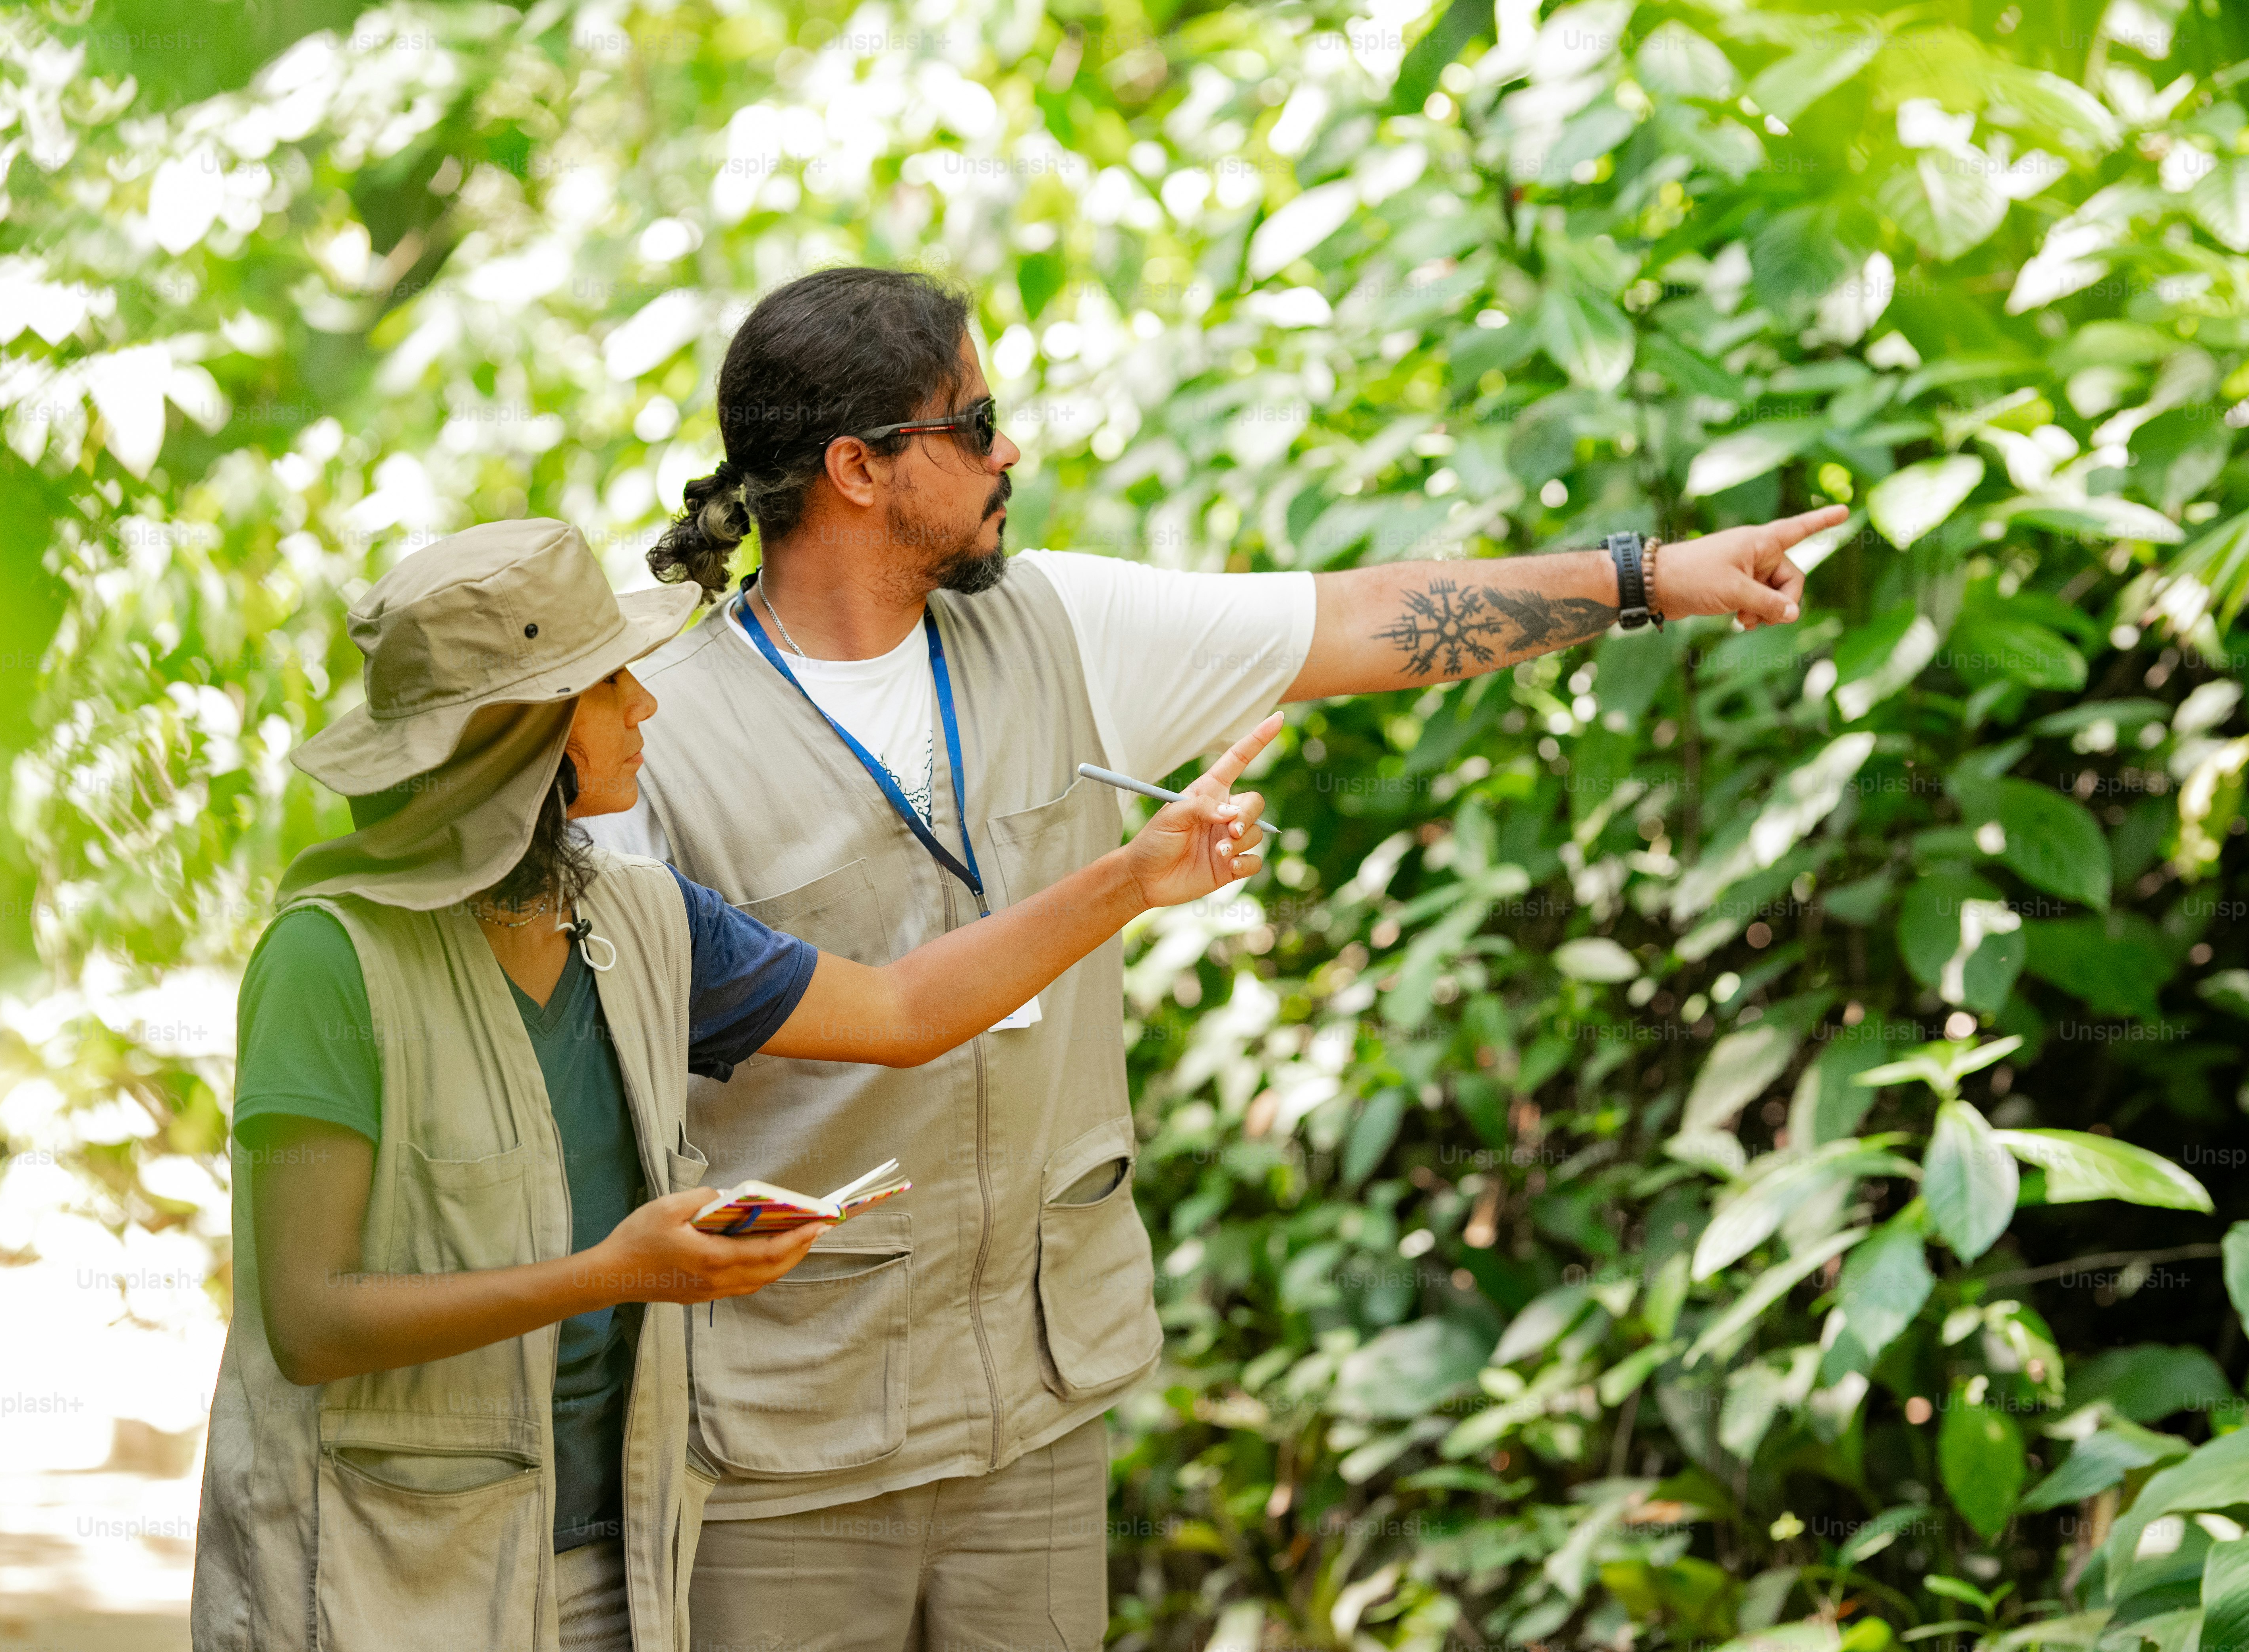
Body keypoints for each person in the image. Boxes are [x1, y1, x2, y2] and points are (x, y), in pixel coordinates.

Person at [586, 266, 1850, 1652]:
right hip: (787, 1447)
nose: (1012, 451)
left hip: (1038, 1412)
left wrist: (1648, 578)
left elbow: (1363, 616)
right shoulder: (652, 740)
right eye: (976, 422)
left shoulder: (1063, 625)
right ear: (858, 469)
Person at [189, 518, 1279, 1652]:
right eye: (612, 685)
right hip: (383, 1570)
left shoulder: (635, 916)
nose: (646, 705)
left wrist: (1135, 879)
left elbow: (901, 1013)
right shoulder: (327, 964)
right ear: (528, 737)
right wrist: (614, 1274)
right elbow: (311, 1319)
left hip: (616, 1556)